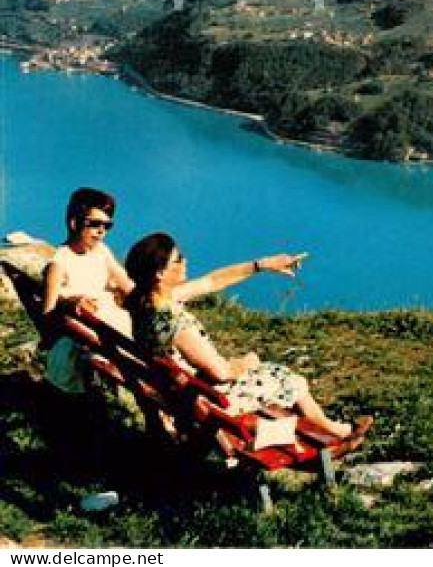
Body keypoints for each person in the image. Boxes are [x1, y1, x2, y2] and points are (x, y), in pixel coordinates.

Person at [124, 232, 370, 444]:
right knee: (287, 378)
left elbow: (212, 281)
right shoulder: (176, 323)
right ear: (159, 272)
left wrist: (261, 264)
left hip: (179, 393)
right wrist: (248, 361)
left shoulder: (144, 302)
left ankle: (326, 429)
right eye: (178, 259)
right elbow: (222, 372)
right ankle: (336, 432)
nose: (185, 261)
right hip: (206, 401)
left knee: (274, 376)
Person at [41, 187, 134, 393]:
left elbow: (127, 285)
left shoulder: (101, 252)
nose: (101, 231)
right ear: (74, 223)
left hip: (109, 333)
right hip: (81, 340)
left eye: (107, 225)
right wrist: (69, 303)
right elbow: (47, 315)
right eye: (94, 224)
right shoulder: (60, 262)